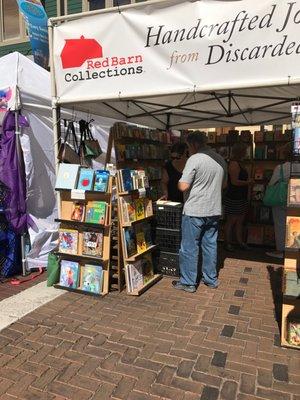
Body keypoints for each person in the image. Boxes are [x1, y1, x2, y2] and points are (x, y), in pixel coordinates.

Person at [172, 131, 227, 293]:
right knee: (210, 245)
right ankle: (210, 279)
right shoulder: (220, 159)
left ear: (194, 144)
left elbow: (183, 186)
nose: (188, 150)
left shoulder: (194, 159)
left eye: (188, 146)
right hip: (214, 209)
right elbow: (224, 186)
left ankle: (188, 282)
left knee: (189, 246)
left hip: (195, 209)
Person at [223, 143, 252, 251]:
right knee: (231, 220)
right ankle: (227, 242)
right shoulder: (234, 164)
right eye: (245, 151)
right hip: (234, 196)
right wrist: (248, 182)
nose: (246, 153)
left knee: (240, 220)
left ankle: (239, 242)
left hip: (240, 196)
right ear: (241, 152)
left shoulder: (239, 163)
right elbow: (234, 182)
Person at [266, 145, 291, 259]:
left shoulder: (281, 168)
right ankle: (294, 250)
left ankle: (281, 251)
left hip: (280, 199)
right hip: (296, 199)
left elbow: (271, 184)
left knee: (280, 225)